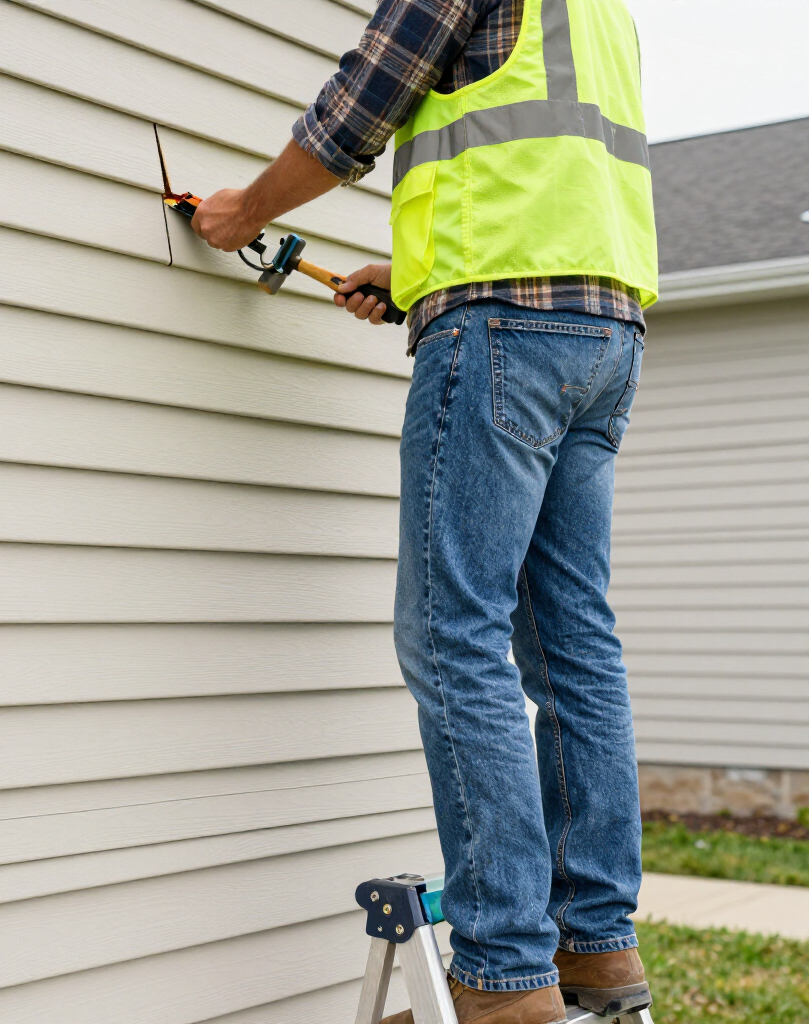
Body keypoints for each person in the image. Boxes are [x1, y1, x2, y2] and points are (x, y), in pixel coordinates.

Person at [191, 1, 658, 1021]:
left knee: (452, 637)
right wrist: (416, 276)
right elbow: (545, 178)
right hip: (602, 336)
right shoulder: (602, 11)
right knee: (573, 643)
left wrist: (246, 210)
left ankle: (501, 971)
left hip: (501, 333)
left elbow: (357, 114)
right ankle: (598, 943)